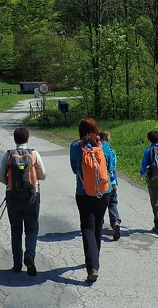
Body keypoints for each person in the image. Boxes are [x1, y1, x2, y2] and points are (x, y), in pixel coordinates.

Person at [0, 127, 46, 276]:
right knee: (31, 229)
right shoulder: (33, 154)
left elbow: (0, 177)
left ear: (14, 140)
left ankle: (17, 264)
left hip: (13, 196)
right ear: (28, 139)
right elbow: (43, 175)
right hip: (32, 196)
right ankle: (29, 255)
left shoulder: (8, 155)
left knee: (16, 230)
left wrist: (10, 184)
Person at [69, 117, 113, 283]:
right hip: (104, 192)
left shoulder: (75, 146)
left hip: (83, 192)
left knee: (87, 228)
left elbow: (74, 169)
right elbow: (109, 168)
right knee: (99, 224)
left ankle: (92, 267)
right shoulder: (104, 145)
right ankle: (95, 261)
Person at [99, 129, 121, 240]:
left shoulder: (98, 150)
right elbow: (114, 166)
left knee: (101, 203)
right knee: (112, 203)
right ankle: (116, 221)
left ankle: (99, 221)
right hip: (112, 180)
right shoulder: (111, 151)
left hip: (102, 182)